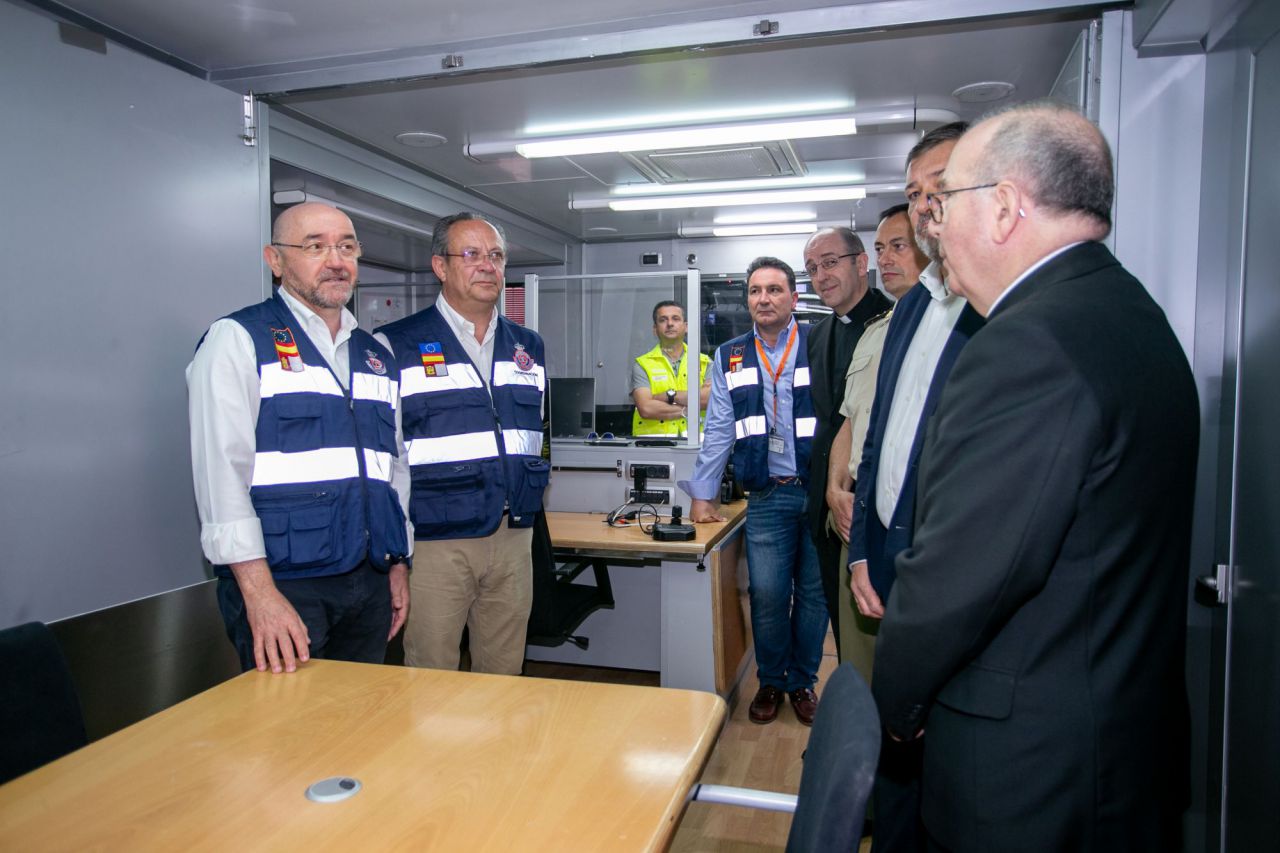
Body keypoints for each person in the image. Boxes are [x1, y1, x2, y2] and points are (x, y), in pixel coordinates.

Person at [874, 102, 1198, 852]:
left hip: (1030, 777)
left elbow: (956, 582)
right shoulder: (1126, 314)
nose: (931, 224)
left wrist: (895, 704)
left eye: (943, 199)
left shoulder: (1027, 347)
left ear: (1005, 209)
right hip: (1112, 748)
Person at [187, 202, 411, 675]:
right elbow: (220, 475)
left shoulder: (375, 355)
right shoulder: (239, 339)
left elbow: (393, 469)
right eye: (315, 246)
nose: (336, 260)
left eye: (346, 247)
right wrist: (260, 594)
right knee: (289, 735)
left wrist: (398, 564)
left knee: (362, 722)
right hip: (285, 584)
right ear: (275, 260)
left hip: (368, 580)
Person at [848, 121, 984, 853]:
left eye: (941, 189)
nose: (927, 206)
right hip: (887, 561)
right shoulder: (909, 311)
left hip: (948, 572)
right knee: (898, 762)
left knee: (942, 757)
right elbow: (878, 442)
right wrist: (861, 551)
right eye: (913, 194)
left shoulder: (989, 307)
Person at [375, 212, 549, 675]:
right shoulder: (396, 344)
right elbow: (387, 457)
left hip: (513, 533)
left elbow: (531, 437)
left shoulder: (527, 346)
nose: (487, 266)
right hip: (437, 540)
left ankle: (498, 752)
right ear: (440, 266)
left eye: (495, 256)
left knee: (504, 670)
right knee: (432, 673)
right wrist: (399, 548)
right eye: (471, 255)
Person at [679, 257, 828, 726]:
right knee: (766, 593)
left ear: (793, 298)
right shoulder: (731, 355)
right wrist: (702, 493)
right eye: (755, 291)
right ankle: (771, 680)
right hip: (768, 494)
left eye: (774, 290)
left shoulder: (820, 344)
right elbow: (719, 427)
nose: (764, 298)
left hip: (821, 491)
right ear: (747, 300)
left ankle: (803, 681)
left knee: (814, 594)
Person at [823, 204, 929, 679]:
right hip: (859, 514)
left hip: (916, 521)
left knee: (908, 664)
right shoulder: (874, 334)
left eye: (899, 246)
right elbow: (849, 422)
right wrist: (834, 490)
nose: (886, 258)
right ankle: (857, 750)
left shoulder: (951, 328)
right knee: (858, 658)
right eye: (881, 247)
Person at [801, 227, 893, 655]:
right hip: (825, 501)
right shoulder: (816, 336)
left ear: (861, 263)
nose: (821, 276)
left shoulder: (894, 325)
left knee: (877, 634)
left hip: (872, 506)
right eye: (812, 268)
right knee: (842, 624)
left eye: (830, 262)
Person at [630, 300, 711, 436]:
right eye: (663, 320)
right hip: (654, 447)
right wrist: (688, 411)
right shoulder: (642, 364)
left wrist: (668, 396)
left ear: (686, 327)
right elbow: (646, 408)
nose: (670, 324)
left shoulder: (704, 362)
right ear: (655, 329)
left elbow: (708, 400)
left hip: (697, 446)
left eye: (676, 318)